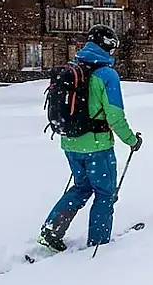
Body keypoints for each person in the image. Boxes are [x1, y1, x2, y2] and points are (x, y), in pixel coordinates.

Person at [38, 24, 142, 252]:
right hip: (97, 146)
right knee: (105, 193)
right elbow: (115, 116)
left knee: (81, 187)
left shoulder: (74, 69)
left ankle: (51, 229)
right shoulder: (107, 75)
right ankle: (99, 243)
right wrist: (132, 141)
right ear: (108, 46)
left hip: (70, 142)